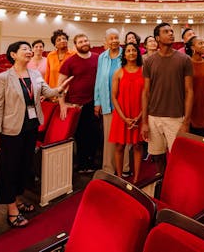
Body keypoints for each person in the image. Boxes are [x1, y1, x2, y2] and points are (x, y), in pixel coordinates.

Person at [0, 41, 68, 228]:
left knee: (23, 167)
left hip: (31, 127)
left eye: (29, 49)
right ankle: (11, 209)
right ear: (13, 54)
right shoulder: (3, 77)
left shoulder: (34, 74)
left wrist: (60, 89)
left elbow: (47, 92)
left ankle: (16, 199)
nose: (29, 51)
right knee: (9, 169)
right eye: (24, 49)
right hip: (11, 130)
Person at [141, 23, 193, 173]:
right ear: (157, 38)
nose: (171, 33)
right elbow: (146, 92)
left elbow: (189, 91)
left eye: (171, 31)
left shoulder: (184, 59)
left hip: (175, 117)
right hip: (153, 117)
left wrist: (186, 122)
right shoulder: (149, 61)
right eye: (166, 32)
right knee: (157, 155)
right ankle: (163, 180)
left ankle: (177, 183)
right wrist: (144, 121)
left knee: (179, 156)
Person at [59, 34, 101, 173]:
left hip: (94, 102)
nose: (84, 43)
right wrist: (62, 104)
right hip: (76, 104)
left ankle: (91, 162)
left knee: (94, 133)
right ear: (75, 45)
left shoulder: (97, 57)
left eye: (86, 40)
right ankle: (82, 164)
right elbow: (61, 86)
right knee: (81, 135)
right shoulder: (69, 62)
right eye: (80, 41)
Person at [109, 42, 144, 183]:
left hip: (138, 114)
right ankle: (119, 177)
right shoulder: (119, 72)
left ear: (137, 53)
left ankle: (136, 178)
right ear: (124, 55)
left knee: (137, 145)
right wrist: (124, 118)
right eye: (128, 51)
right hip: (121, 115)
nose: (131, 53)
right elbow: (114, 97)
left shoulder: (144, 71)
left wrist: (139, 116)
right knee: (119, 146)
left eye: (134, 50)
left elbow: (148, 95)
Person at [94, 28, 127, 174]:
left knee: (124, 137)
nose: (114, 41)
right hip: (107, 102)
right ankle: (108, 168)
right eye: (111, 38)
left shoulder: (126, 55)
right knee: (109, 137)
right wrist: (97, 102)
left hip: (124, 103)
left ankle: (125, 167)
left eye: (116, 38)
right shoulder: (102, 57)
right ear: (106, 41)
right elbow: (99, 79)